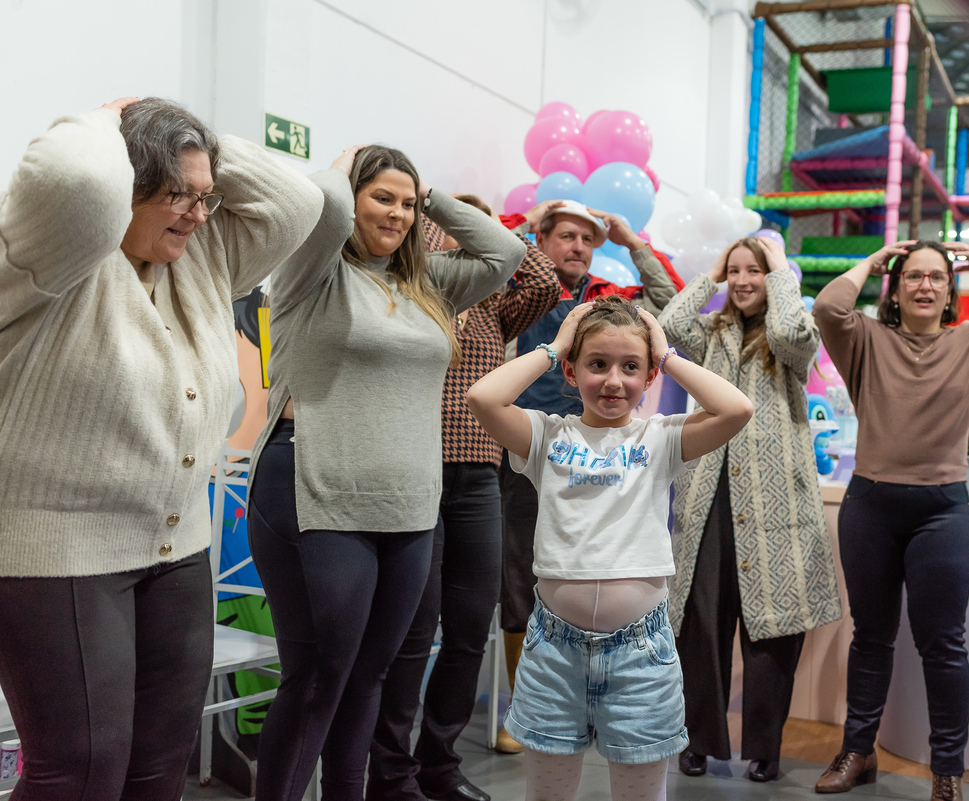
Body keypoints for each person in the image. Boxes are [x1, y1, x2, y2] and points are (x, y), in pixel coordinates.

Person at [0, 97, 322, 801]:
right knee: (81, 769)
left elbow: (301, 199)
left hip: (177, 553)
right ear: (127, 180)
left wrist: (191, 138)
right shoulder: (51, 252)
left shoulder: (201, 259)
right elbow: (77, 183)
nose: (197, 213)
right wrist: (108, 117)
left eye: (206, 197)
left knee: (160, 764)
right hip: (60, 552)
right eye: (176, 194)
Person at [247, 145, 525, 801]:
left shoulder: (425, 283)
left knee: (369, 674)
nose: (397, 213)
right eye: (382, 198)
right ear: (351, 198)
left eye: (407, 203)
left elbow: (506, 256)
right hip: (315, 485)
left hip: (408, 503)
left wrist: (429, 197)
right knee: (319, 671)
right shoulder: (311, 270)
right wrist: (345, 176)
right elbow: (321, 204)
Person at [465, 295, 754, 801]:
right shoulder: (546, 436)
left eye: (631, 367)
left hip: (640, 656)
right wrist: (554, 348)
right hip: (554, 652)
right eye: (597, 365)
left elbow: (737, 408)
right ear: (573, 374)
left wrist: (669, 357)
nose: (614, 381)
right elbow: (483, 399)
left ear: (648, 378)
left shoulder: (662, 438)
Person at [367, 195, 560, 801]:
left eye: (465, 228)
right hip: (413, 473)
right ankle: (390, 774)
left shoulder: (494, 303)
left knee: (471, 629)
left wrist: (468, 214)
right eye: (441, 226)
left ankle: (438, 766)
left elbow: (543, 277)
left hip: (479, 479)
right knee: (413, 633)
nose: (453, 236)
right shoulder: (399, 293)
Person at [811, 239, 969, 801]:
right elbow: (829, 308)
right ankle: (858, 753)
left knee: (943, 644)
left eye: (936, 278)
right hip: (871, 507)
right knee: (871, 638)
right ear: (895, 292)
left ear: (950, 291)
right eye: (912, 277)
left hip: (943, 510)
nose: (925, 285)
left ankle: (946, 769)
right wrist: (871, 262)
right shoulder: (866, 342)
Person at [494, 198, 685, 749]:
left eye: (586, 239)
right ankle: (523, 700)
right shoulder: (522, 286)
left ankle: (609, 700)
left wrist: (631, 242)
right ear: (544, 241)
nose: (577, 247)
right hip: (537, 446)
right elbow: (491, 243)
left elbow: (669, 305)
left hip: (609, 449)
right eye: (565, 236)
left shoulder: (607, 297)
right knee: (519, 575)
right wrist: (527, 221)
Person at [657, 236, 841, 783]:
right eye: (734, 271)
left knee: (773, 631)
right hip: (708, 493)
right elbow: (668, 325)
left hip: (775, 502)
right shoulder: (711, 334)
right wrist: (710, 276)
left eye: (752, 272)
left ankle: (767, 747)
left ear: (773, 277)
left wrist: (782, 270)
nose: (742, 281)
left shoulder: (793, 338)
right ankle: (698, 741)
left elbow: (789, 331)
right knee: (702, 625)